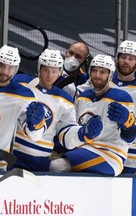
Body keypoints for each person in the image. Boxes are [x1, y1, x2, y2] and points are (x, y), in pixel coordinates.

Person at [13, 49, 99, 171]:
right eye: (46, 70)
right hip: (13, 153)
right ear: (39, 69)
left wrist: (82, 134)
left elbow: (66, 131)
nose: (49, 75)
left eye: (54, 71)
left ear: (59, 72)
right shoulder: (21, 84)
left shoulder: (65, 100)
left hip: (41, 159)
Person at [50, 54, 136, 176]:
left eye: (102, 72)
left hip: (111, 155)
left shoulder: (121, 97)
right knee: (51, 162)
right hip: (84, 150)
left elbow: (130, 139)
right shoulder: (82, 97)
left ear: (110, 75)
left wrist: (128, 123)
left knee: (58, 166)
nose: (97, 75)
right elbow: (69, 132)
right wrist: (83, 133)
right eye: (94, 71)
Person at [110, 40, 136, 174]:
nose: (126, 61)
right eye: (123, 57)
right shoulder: (104, 81)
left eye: (131, 59)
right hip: (106, 148)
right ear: (117, 59)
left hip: (132, 155)